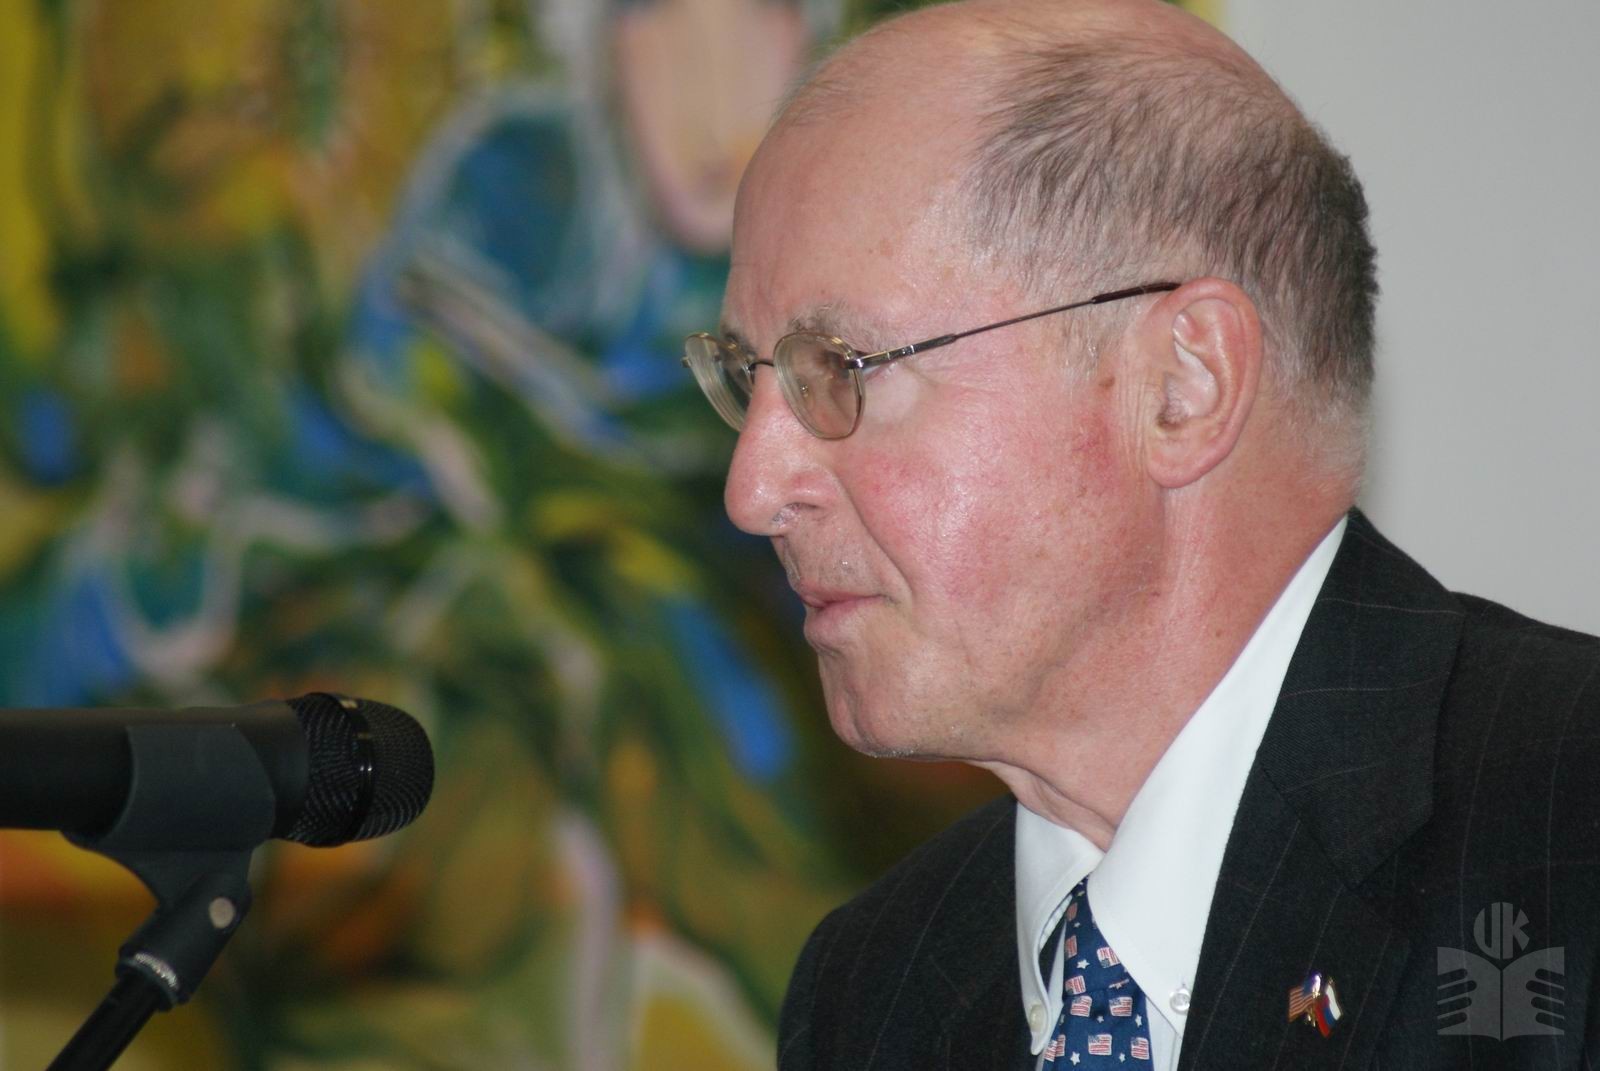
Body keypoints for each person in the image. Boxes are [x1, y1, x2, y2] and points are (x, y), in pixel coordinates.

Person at [679, 0, 1600, 1067]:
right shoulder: (876, 987)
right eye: (747, 378)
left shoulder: (1567, 832)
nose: (752, 490)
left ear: (1182, 387)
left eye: (839, 368)